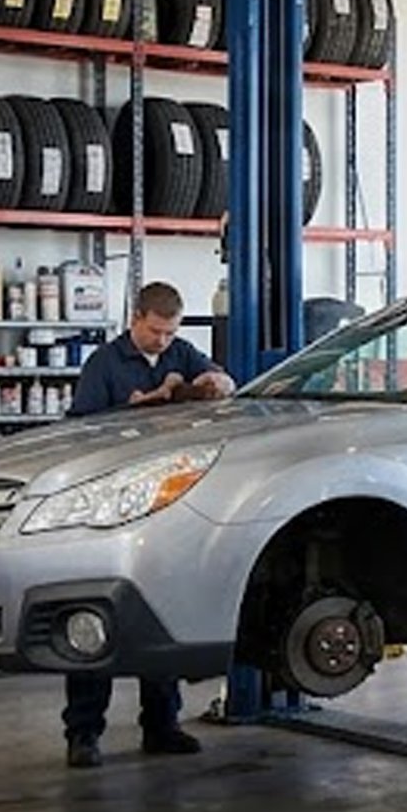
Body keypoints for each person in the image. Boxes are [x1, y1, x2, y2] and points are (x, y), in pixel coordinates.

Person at [60, 281, 235, 768]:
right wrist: (143, 405)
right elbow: (80, 429)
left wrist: (218, 382)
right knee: (93, 622)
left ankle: (162, 725)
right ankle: (83, 733)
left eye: (168, 333)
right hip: (106, 505)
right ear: (136, 318)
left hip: (166, 504)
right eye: (155, 331)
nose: (162, 341)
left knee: (162, 615)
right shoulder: (105, 364)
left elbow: (224, 385)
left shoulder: (184, 351)